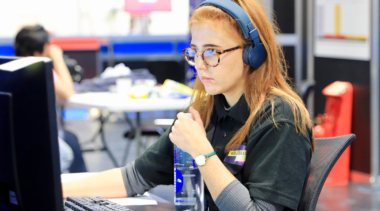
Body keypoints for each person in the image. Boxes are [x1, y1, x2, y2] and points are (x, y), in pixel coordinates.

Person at [62, 0, 314, 210]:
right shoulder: (203, 111)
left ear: (252, 53)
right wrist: (53, 189)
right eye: (195, 51)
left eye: (212, 51)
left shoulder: (279, 118)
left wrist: (201, 152)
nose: (199, 64)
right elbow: (135, 177)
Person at [14, 25, 87, 173]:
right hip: (40, 134)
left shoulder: (13, 66)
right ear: (38, 51)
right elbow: (67, 92)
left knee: (70, 138)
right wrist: (57, 58)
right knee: (68, 150)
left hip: (20, 134)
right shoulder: (37, 67)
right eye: (48, 46)